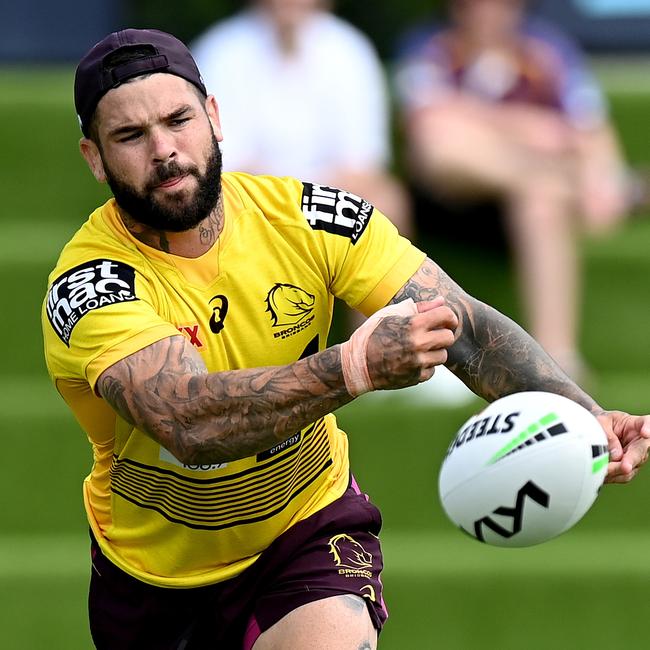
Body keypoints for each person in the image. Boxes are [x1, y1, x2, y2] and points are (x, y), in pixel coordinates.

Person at [41, 28, 650, 649]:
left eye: (179, 120)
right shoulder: (90, 284)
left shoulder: (308, 216)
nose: (165, 150)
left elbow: (463, 325)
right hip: (155, 579)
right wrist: (352, 368)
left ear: (216, 117)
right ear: (94, 157)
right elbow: (189, 424)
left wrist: (588, 417)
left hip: (306, 530)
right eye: (131, 136)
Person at [394, 0, 637, 381]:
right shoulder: (430, 46)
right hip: (445, 201)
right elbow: (427, 128)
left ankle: (557, 359)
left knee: (542, 200)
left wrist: (603, 176)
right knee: (442, 141)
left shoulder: (548, 50)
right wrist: (531, 130)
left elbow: (588, 128)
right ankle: (550, 178)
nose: (487, 11)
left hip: (525, 206)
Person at [191, 0, 412, 238]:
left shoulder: (350, 50)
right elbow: (224, 161)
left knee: (389, 201)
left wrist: (308, 202)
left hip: (333, 194)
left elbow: (362, 163)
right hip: (251, 199)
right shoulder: (220, 51)